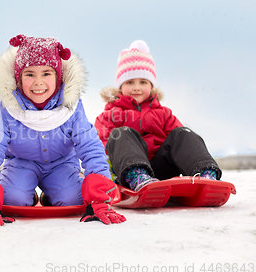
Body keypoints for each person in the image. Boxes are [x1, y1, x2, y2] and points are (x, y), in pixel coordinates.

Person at [0, 34, 126, 227]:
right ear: (18, 78)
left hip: (62, 164)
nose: (38, 82)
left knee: (74, 200)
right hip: (21, 164)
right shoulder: (8, 110)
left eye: (46, 74)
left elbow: (90, 146)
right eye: (30, 74)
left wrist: (100, 198)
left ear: (58, 78)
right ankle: (27, 193)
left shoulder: (71, 108)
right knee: (12, 201)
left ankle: (53, 194)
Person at [95, 40, 221, 192]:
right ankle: (138, 176)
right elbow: (99, 147)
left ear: (151, 86)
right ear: (120, 87)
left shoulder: (164, 114)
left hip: (162, 170)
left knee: (182, 133)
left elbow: (181, 145)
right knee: (121, 133)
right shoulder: (109, 116)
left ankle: (206, 174)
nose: (136, 88)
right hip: (128, 171)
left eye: (143, 82)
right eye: (129, 82)